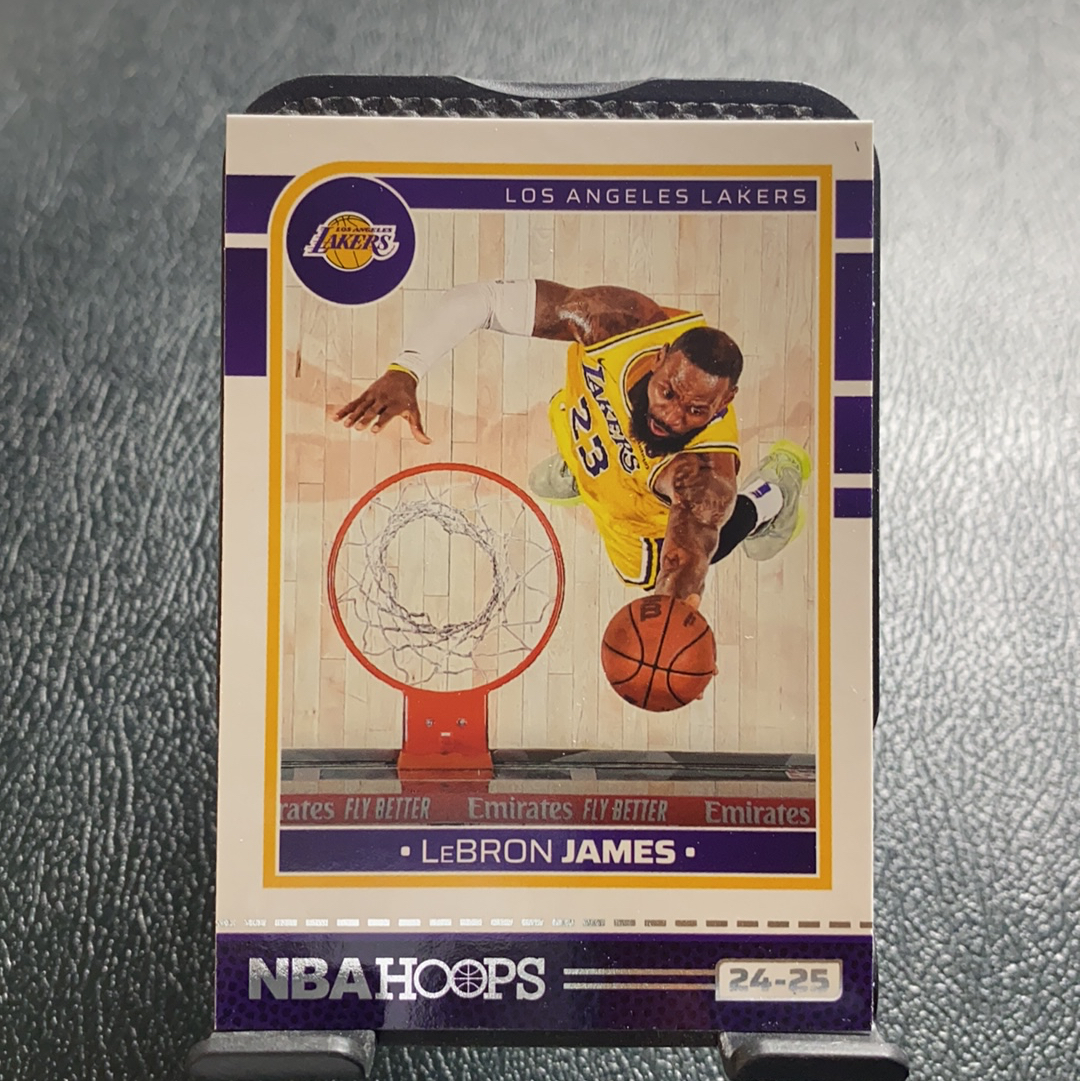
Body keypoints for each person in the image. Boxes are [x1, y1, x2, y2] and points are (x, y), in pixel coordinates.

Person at [333, 279, 810, 605]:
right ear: (659, 357)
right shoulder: (617, 325)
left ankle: (773, 496)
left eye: (696, 412)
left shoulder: (702, 478)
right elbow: (482, 300)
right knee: (569, 433)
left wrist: (670, 618)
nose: (672, 416)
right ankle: (591, 471)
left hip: (645, 519)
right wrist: (406, 369)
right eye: (667, 393)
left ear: (724, 406)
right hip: (593, 436)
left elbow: (686, 558)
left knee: (705, 534)